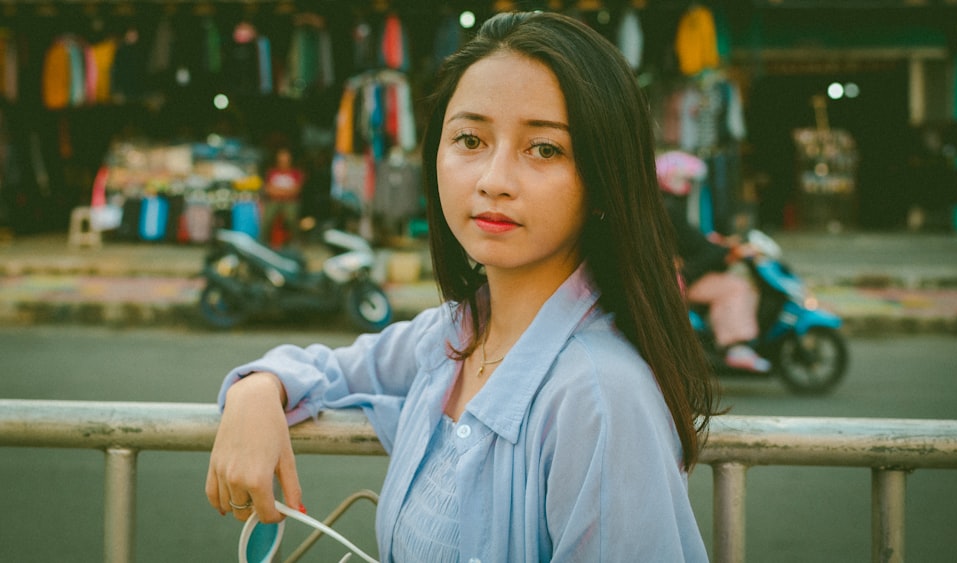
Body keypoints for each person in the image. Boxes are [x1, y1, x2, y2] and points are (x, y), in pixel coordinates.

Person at [206, 11, 720, 562]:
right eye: (470, 139)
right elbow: (333, 371)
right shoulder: (455, 336)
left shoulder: (598, 399)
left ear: (603, 179)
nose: (494, 180)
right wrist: (257, 391)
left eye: (544, 149)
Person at [662, 191, 771, 373]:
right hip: (683, 279)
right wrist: (723, 252)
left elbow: (696, 245)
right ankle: (733, 345)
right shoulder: (669, 210)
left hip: (685, 275)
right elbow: (696, 248)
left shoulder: (667, 208)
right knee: (736, 287)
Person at [260, 147, 305, 247]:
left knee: (291, 218)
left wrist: (278, 191)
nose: (283, 162)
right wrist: (285, 191)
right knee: (266, 218)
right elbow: (267, 189)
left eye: (285, 160)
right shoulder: (272, 172)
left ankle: (295, 241)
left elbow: (296, 191)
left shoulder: (296, 173)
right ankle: (262, 242)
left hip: (291, 202)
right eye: (281, 160)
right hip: (274, 201)